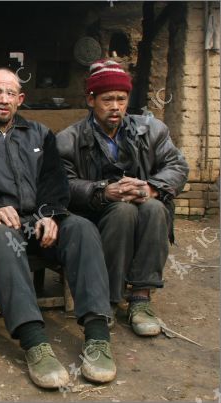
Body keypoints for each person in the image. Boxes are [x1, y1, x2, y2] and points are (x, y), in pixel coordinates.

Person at [0, 68, 116, 388]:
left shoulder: (41, 134)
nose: (3, 99)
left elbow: (55, 180)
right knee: (3, 239)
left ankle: (97, 336)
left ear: (20, 99)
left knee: (82, 228)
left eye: (10, 93)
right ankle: (35, 342)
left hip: (40, 220)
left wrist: (49, 213)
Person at [56, 59, 189, 336]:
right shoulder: (69, 139)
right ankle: (107, 299)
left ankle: (140, 298)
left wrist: (151, 188)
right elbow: (63, 184)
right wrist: (102, 190)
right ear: (91, 100)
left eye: (121, 99)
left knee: (155, 209)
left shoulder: (151, 130)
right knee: (122, 211)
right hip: (96, 212)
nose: (115, 106)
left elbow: (177, 166)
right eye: (107, 99)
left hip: (144, 206)